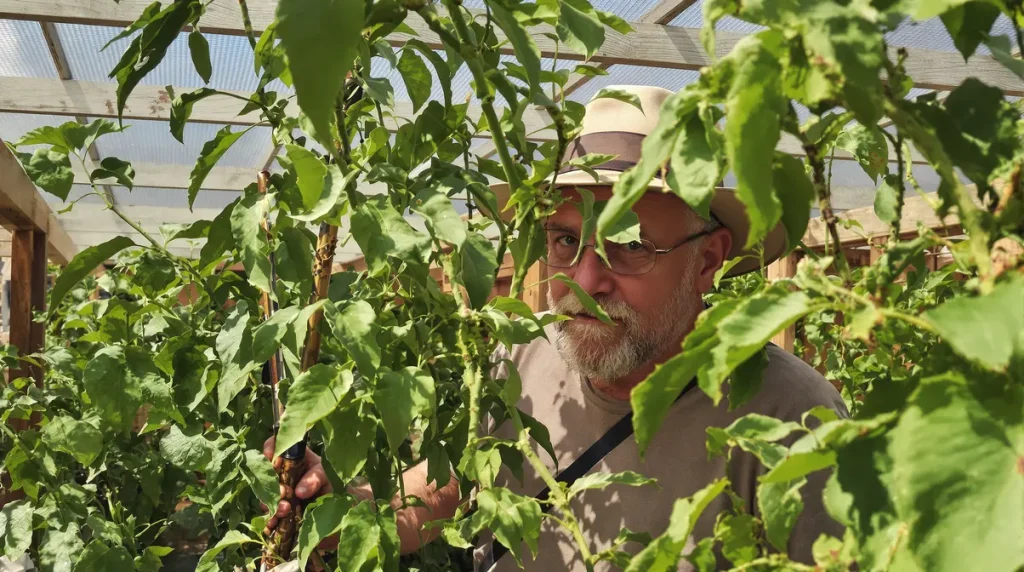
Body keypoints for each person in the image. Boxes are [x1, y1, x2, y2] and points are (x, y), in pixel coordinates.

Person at [263, 86, 848, 570]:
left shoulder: (790, 417)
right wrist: (342, 512)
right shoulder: (527, 351)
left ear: (709, 259)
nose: (585, 281)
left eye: (627, 245)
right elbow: (466, 488)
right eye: (567, 241)